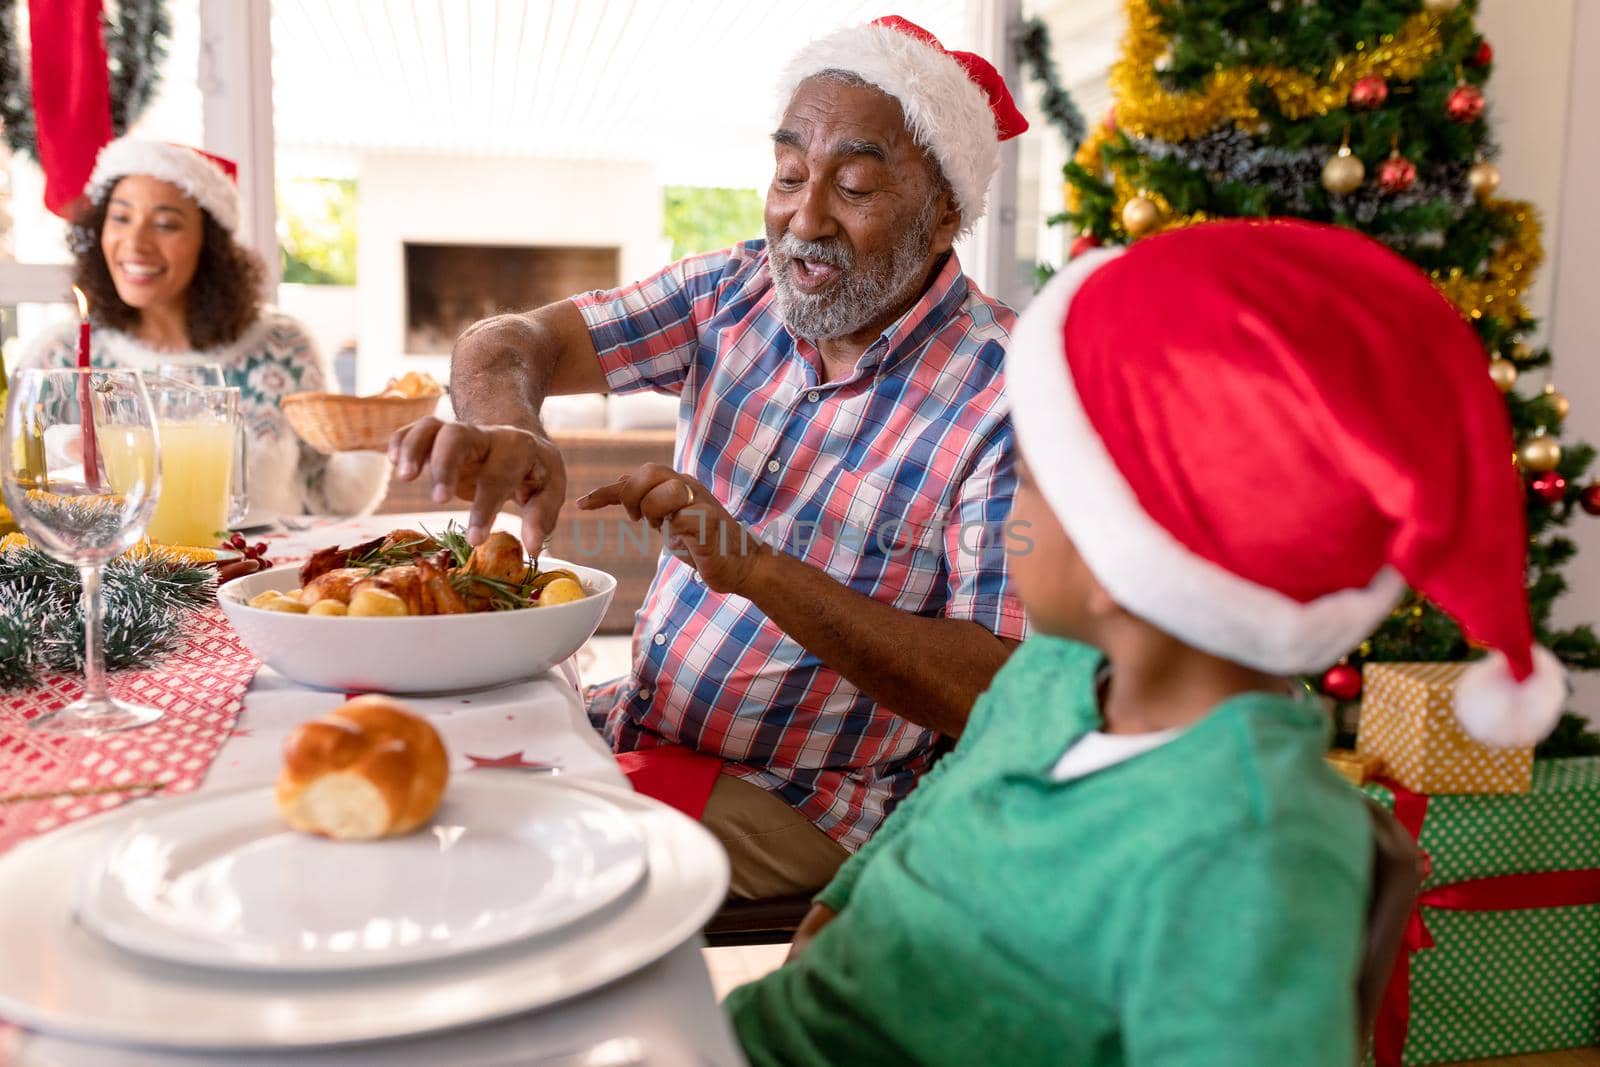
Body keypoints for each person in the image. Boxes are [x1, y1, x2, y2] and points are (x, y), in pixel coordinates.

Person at [722, 218, 1567, 1065]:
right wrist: (840, 905)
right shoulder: (1050, 675)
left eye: (1029, 483)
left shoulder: (1249, 862)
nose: (1008, 516)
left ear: (1114, 551)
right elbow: (942, 810)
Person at [389, 16, 1031, 897]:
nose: (804, 219)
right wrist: (516, 430)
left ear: (945, 207)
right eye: (789, 176)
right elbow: (505, 341)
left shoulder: (1012, 390)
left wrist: (757, 570)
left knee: (484, 867)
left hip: (809, 801)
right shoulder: (735, 293)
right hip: (641, 731)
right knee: (401, 765)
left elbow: (997, 688)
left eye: (853, 186)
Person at [22, 138, 388, 521]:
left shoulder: (283, 347)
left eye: (165, 224)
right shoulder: (59, 356)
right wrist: (61, 449)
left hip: (259, 574)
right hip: (120, 577)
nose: (135, 242)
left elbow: (331, 496)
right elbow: (21, 485)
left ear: (208, 244)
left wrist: (379, 434)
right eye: (120, 217)